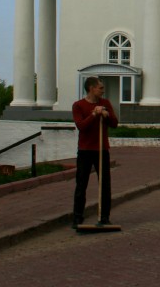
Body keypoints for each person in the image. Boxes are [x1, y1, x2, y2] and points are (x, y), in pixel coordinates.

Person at [72, 76, 118, 228]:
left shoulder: (105, 104)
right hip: (85, 150)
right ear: (92, 88)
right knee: (81, 184)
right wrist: (93, 114)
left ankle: (104, 217)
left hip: (102, 150)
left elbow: (115, 123)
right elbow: (81, 126)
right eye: (101, 88)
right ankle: (77, 217)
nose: (103, 91)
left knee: (105, 185)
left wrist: (106, 115)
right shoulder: (78, 106)